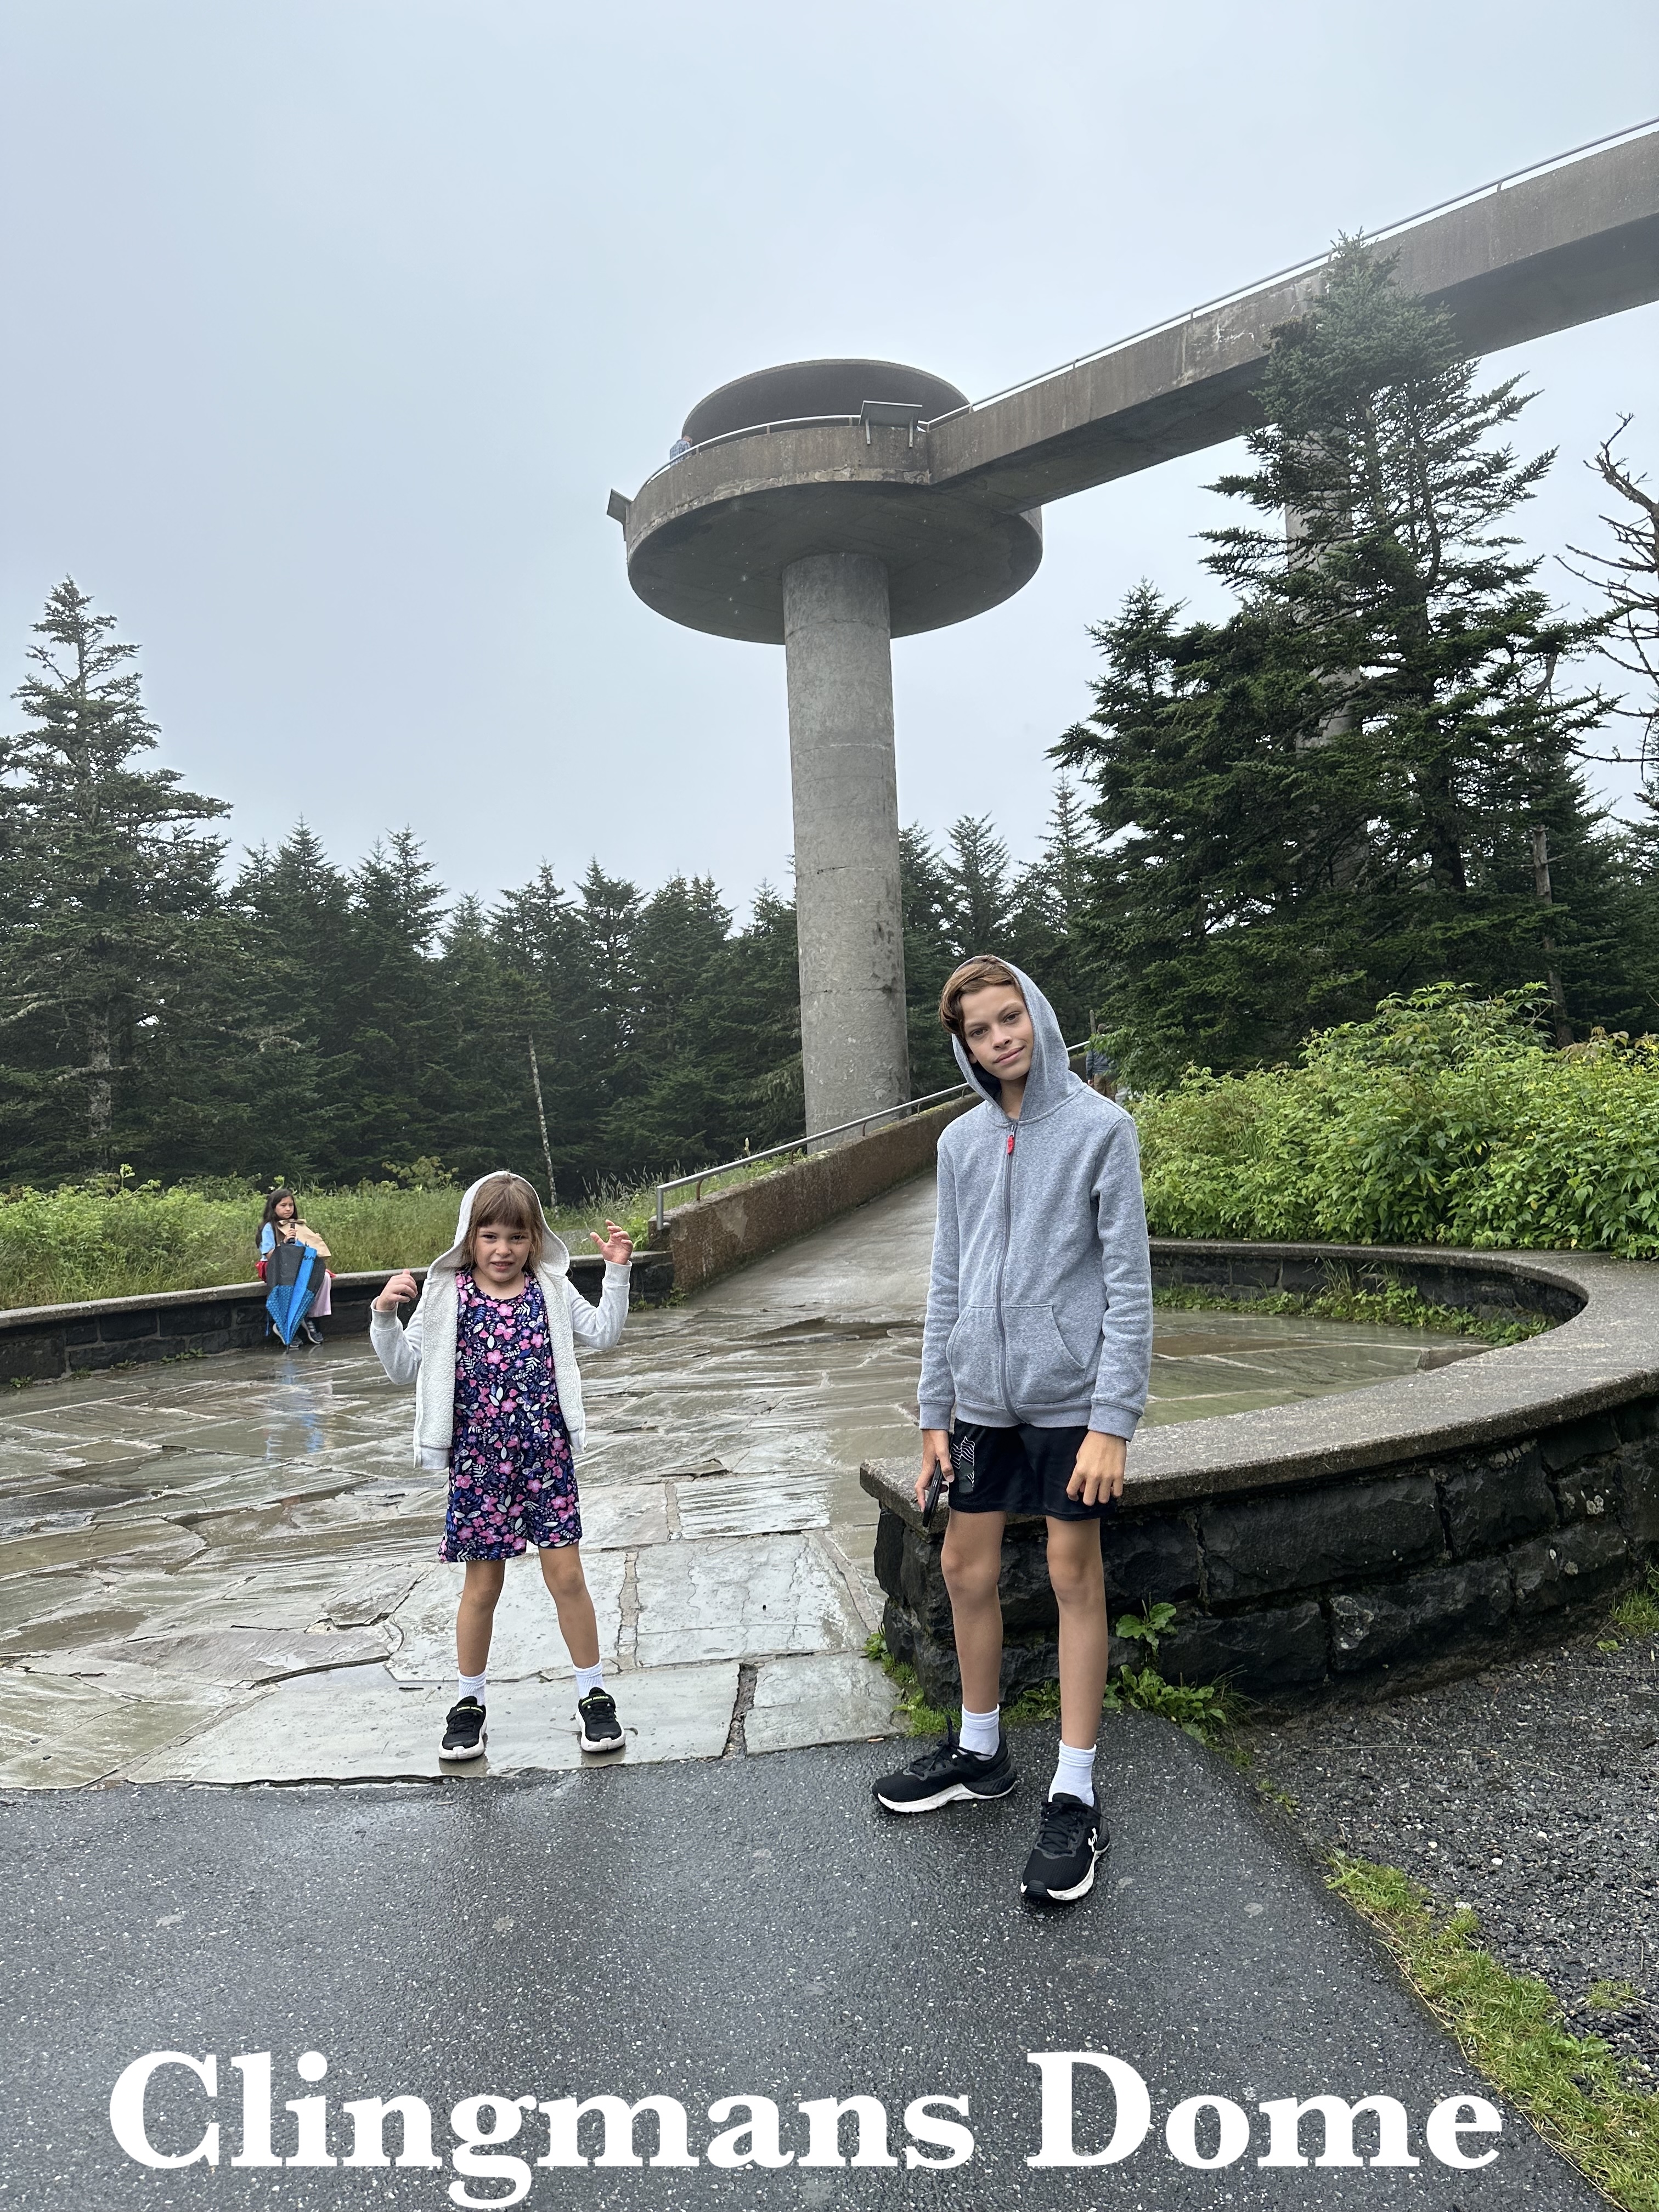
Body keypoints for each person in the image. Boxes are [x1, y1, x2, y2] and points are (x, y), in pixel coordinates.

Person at [872, 957, 1152, 1908]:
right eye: (978, 1031)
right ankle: (979, 1750)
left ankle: (1073, 1787)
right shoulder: (958, 1142)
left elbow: (1127, 1285)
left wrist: (1110, 1422)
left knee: (1074, 1575)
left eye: (1009, 1018)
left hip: (1071, 1401)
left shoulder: (1100, 1130)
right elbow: (946, 1281)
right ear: (961, 1046)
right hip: (981, 1401)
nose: (1000, 1039)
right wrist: (931, 1414)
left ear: (1035, 1013)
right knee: (964, 1569)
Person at [370, 1171, 634, 1764]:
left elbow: (603, 1335)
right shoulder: (447, 1294)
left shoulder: (550, 1288)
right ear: (469, 1237)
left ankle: (592, 1694)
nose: (502, 1249)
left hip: (546, 1459)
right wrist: (384, 1317)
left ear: (534, 1240)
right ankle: (469, 1704)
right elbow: (404, 1371)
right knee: (482, 1585)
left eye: (516, 1236)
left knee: (567, 1577)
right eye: (489, 1235)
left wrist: (616, 1271)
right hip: (478, 1466)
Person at [257, 1188, 332, 1347]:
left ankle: (309, 1316)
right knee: (294, 1282)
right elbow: (269, 1255)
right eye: (283, 1205)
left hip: (297, 1265)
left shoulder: (297, 1225)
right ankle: (287, 1324)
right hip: (275, 1268)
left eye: (291, 1205)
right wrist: (284, 1242)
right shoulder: (269, 1227)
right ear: (274, 1207)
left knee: (324, 1277)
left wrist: (313, 1241)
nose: (288, 1209)